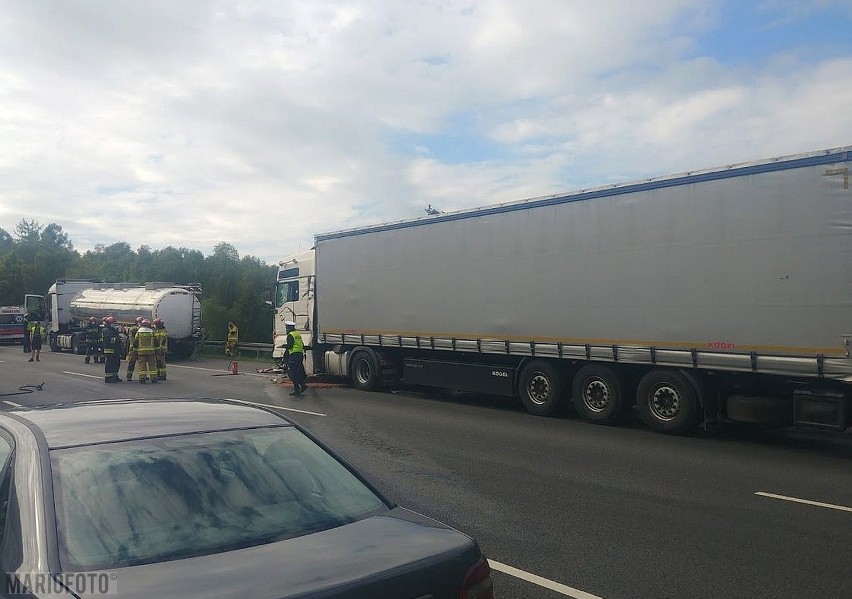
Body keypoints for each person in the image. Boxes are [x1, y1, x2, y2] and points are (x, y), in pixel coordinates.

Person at [281, 320, 307, 396]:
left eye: (286, 328)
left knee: (293, 374)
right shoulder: (297, 334)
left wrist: (284, 348)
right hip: (299, 354)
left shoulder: (290, 335)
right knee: (297, 372)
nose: (286, 329)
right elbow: (301, 344)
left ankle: (299, 388)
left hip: (293, 355)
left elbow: (289, 346)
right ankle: (300, 386)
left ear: (288, 328)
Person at [132, 319, 158, 384]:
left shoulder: (139, 332)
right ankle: (154, 378)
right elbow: (156, 342)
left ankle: (142, 378)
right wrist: (157, 349)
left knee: (142, 365)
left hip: (141, 352)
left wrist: (135, 349)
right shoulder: (152, 332)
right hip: (151, 352)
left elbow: (135, 342)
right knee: (152, 365)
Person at [101, 316, 123, 383]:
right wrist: (117, 339)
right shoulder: (106, 330)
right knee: (110, 364)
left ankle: (114, 376)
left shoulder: (112, 330)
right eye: (113, 323)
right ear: (110, 323)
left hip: (115, 350)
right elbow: (108, 340)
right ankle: (108, 378)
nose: (115, 325)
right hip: (110, 350)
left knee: (116, 363)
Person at [125, 317, 144, 381]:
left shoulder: (141, 329)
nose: (140, 324)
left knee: (141, 364)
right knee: (131, 363)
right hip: (133, 349)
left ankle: (142, 376)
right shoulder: (133, 329)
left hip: (140, 349)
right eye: (139, 322)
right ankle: (129, 376)